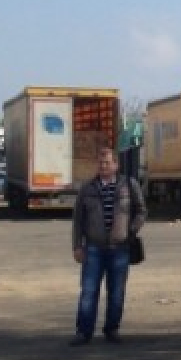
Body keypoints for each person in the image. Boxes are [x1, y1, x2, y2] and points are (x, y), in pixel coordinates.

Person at [69, 148, 147, 346]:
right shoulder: (87, 188)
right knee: (88, 291)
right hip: (93, 248)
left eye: (107, 163)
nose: (103, 166)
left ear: (116, 165)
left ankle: (112, 329)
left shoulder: (129, 185)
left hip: (119, 249)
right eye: (100, 163)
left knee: (116, 292)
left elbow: (141, 211)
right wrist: (77, 246)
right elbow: (78, 220)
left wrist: (131, 230)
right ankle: (83, 332)